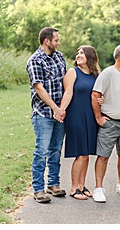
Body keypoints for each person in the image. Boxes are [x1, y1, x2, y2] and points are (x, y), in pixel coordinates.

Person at [26, 27, 67, 203]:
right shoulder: (35, 60)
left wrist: (62, 109)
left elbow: (66, 83)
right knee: (41, 151)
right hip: (43, 113)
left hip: (60, 114)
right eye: (56, 40)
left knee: (56, 150)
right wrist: (55, 109)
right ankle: (38, 189)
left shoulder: (59, 57)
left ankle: (53, 183)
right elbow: (39, 88)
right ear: (46, 41)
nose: (58, 43)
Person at [91, 44, 120, 203]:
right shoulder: (107, 73)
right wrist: (99, 117)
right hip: (110, 122)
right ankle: (98, 188)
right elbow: (95, 95)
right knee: (103, 156)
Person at [59, 45, 101, 200]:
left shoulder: (96, 74)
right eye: (77, 53)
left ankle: (82, 186)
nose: (78, 55)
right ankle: (73, 188)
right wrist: (61, 110)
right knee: (80, 153)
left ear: (90, 56)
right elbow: (68, 92)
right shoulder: (72, 72)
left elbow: (98, 94)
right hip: (76, 115)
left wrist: (102, 100)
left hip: (91, 117)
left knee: (87, 154)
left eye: (82, 53)